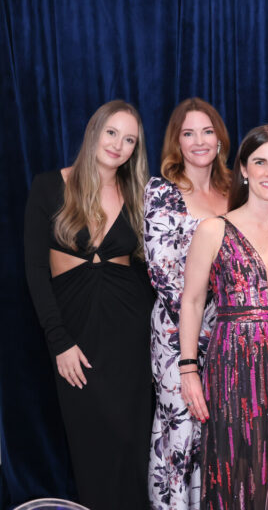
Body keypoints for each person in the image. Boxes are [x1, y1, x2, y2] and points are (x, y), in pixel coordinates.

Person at [24, 100, 154, 509]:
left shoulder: (138, 195)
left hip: (130, 336)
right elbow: (34, 272)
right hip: (75, 335)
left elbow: (148, 273)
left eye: (129, 139)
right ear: (94, 131)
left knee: (133, 445)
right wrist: (59, 341)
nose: (118, 145)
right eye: (112, 132)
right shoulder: (48, 186)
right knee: (91, 444)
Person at [178, 125, 268, 509]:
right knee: (233, 466)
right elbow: (191, 302)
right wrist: (188, 370)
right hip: (231, 366)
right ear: (245, 170)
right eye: (260, 162)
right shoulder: (214, 229)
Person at [143, 98, 231, 509]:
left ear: (220, 138)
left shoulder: (235, 190)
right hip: (179, 330)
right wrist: (195, 336)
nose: (199, 141)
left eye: (207, 131)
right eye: (189, 133)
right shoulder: (162, 190)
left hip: (229, 330)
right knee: (180, 433)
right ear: (176, 142)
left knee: (215, 436)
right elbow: (162, 273)